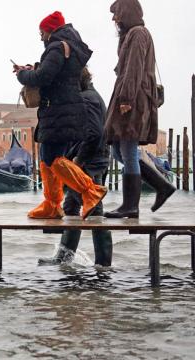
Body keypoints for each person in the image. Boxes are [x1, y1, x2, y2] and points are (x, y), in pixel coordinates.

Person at [15, 11, 107, 220]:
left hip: (59, 111)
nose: (40, 37)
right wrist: (31, 69)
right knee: (47, 159)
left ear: (50, 30)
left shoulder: (57, 46)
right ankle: (52, 204)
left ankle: (90, 191)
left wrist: (23, 75)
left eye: (42, 32)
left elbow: (44, 77)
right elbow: (54, 73)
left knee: (53, 159)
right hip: (61, 110)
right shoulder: (67, 46)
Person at [104, 0, 174, 219]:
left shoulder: (138, 34)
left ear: (126, 13)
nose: (114, 19)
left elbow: (134, 67)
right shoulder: (132, 35)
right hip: (130, 96)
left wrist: (126, 98)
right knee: (118, 150)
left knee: (127, 148)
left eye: (117, 14)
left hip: (132, 99)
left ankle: (130, 206)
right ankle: (161, 186)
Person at [39, 68, 113, 266]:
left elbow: (94, 134)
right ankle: (65, 259)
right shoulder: (90, 95)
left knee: (95, 209)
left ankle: (103, 264)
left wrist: (78, 161)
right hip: (92, 159)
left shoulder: (88, 99)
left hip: (90, 162)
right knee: (72, 206)